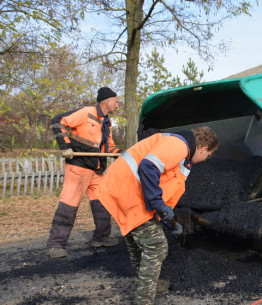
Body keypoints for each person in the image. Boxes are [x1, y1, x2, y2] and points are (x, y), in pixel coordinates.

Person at [97, 126, 218, 305]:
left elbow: (165, 184)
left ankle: (149, 285)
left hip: (123, 189)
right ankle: (144, 300)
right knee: (156, 246)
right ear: (203, 148)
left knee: (137, 244)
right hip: (129, 193)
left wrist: (166, 219)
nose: (204, 160)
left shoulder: (182, 154)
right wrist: (157, 204)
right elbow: (148, 166)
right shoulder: (179, 145)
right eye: (207, 156)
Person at [45, 87, 123, 258]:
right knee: (69, 204)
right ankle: (55, 245)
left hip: (96, 170)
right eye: (116, 102)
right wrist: (64, 146)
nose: (117, 106)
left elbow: (108, 145)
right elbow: (58, 121)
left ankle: (101, 237)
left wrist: (121, 153)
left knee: (103, 202)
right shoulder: (86, 113)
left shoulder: (107, 123)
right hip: (79, 167)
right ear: (107, 101)